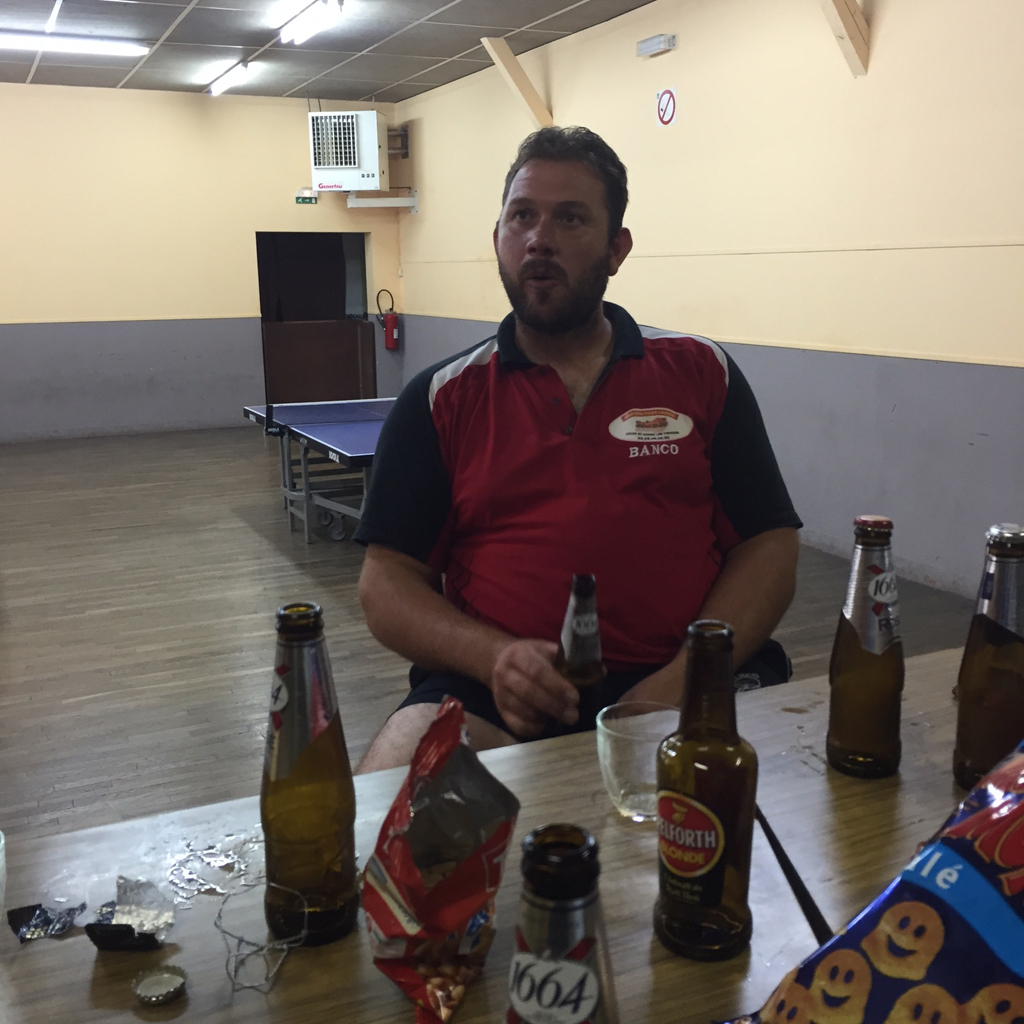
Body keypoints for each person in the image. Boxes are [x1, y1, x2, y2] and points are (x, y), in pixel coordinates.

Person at [352, 126, 802, 772]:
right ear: (498, 238)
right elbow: (385, 583)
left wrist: (679, 683)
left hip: (692, 677)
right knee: (394, 805)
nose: (540, 238)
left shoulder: (702, 372)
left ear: (617, 249)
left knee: (783, 812)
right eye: (522, 216)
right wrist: (494, 658)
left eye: (570, 218)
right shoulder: (440, 398)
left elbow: (768, 546)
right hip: (495, 693)